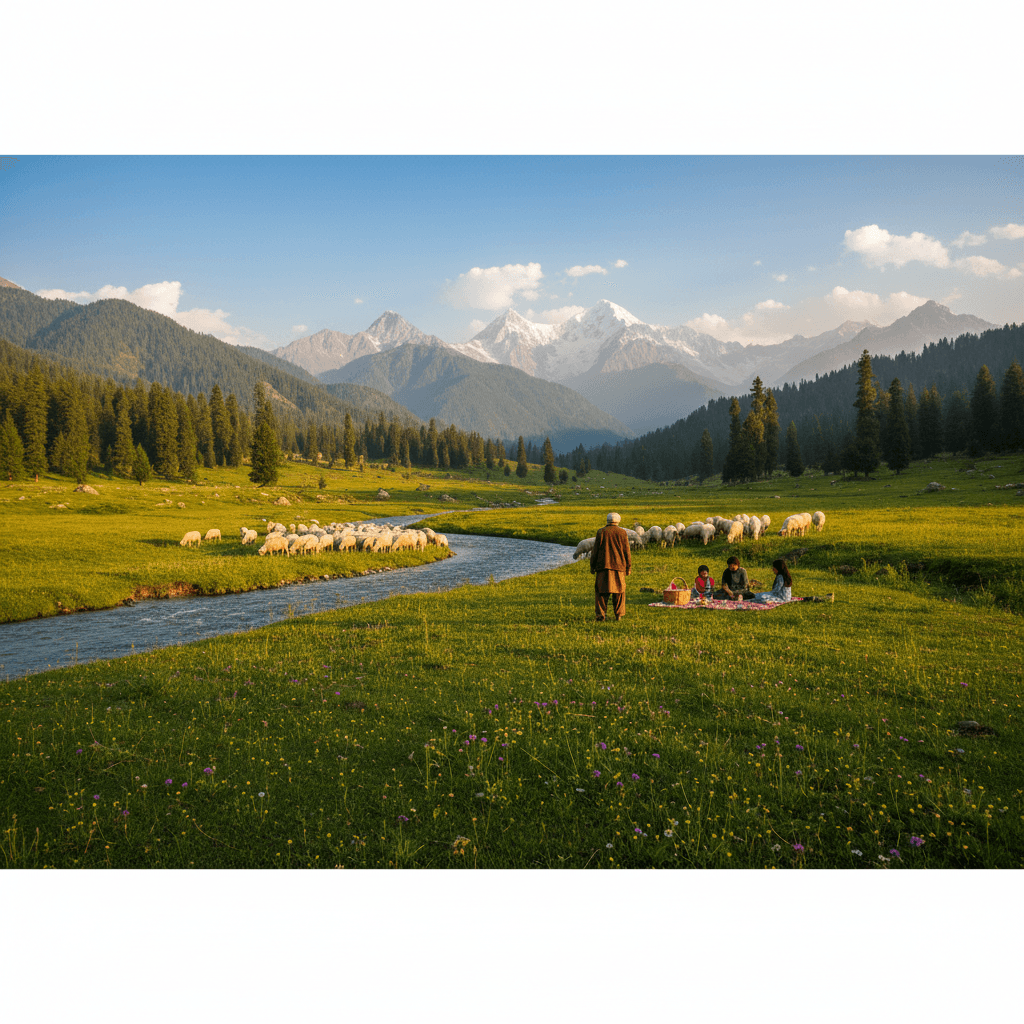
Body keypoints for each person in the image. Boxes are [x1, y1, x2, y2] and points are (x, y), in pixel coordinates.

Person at [590, 512, 631, 621]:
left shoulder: (601, 532)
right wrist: (628, 567)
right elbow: (627, 551)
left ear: (607, 520)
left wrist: (592, 565)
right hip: (619, 567)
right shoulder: (622, 532)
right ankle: (618, 615)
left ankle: (600, 615)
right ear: (618, 521)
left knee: (601, 592)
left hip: (602, 566)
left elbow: (595, 550)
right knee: (619, 592)